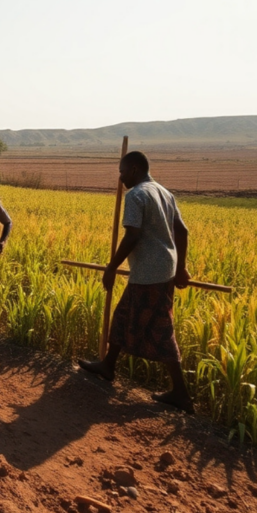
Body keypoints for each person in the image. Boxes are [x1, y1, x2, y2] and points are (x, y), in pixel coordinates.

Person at [78, 151, 194, 414]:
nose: (119, 178)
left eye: (121, 172)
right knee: (123, 315)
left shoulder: (137, 195)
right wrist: (181, 267)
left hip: (150, 272)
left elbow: (132, 236)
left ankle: (181, 394)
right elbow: (182, 231)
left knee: (162, 329)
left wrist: (111, 267)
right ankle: (108, 365)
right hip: (161, 268)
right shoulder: (164, 192)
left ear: (133, 169)